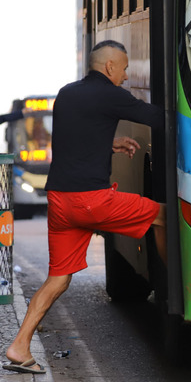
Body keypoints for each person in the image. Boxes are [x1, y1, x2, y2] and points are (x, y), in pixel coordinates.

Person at [2, 40, 166, 375]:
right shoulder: (112, 94)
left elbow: (73, 138)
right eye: (123, 68)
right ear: (108, 66)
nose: (125, 75)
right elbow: (159, 119)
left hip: (61, 202)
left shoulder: (67, 93)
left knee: (58, 279)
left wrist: (110, 143)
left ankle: (19, 346)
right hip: (91, 200)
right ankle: (171, 291)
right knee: (164, 214)